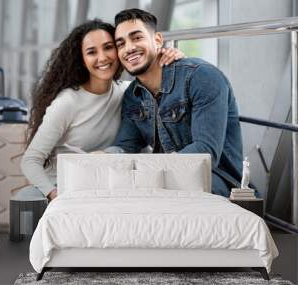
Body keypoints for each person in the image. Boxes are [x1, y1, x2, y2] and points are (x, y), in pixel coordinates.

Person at [21, 19, 184, 201]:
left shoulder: (127, 92)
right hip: (66, 186)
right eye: (92, 52)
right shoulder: (67, 102)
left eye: (108, 47)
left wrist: (173, 59)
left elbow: (160, 84)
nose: (103, 57)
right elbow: (30, 161)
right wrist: (55, 195)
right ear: (81, 59)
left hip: (107, 183)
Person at [105, 9, 243, 197]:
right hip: (165, 179)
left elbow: (206, 151)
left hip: (218, 181)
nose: (128, 48)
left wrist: (152, 171)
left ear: (158, 40)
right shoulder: (133, 96)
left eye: (137, 38)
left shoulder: (201, 76)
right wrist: (102, 157)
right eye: (121, 44)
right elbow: (126, 146)